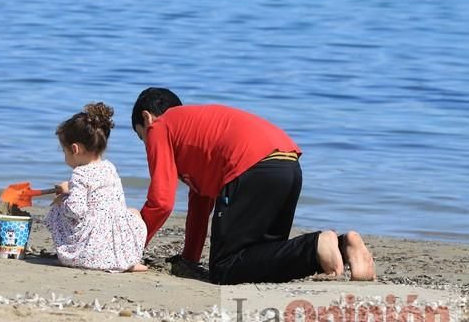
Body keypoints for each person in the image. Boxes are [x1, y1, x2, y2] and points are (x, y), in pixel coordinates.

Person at [131, 87, 375, 284]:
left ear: (146, 118)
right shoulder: (193, 130)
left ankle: (317, 246)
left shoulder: (159, 126)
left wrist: (129, 248)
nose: (148, 145)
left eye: (142, 138)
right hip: (287, 164)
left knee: (224, 268)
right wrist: (189, 259)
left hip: (252, 166)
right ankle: (344, 248)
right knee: (264, 255)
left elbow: (161, 202)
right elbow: (200, 201)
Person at [46, 102, 148, 272]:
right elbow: (102, 199)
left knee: (58, 208)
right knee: (133, 213)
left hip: (89, 251)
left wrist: (62, 199)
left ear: (74, 149)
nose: (65, 156)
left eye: (64, 151)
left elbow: (76, 210)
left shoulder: (79, 174)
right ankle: (128, 259)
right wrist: (69, 189)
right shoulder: (109, 167)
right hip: (115, 248)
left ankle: (73, 256)